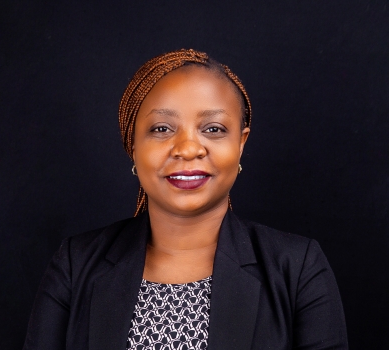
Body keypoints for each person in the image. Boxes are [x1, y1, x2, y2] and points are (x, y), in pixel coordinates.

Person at [23, 49, 348, 349]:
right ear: (132, 143)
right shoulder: (74, 265)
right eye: (162, 128)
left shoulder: (298, 268)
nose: (189, 148)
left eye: (214, 129)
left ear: (241, 144)